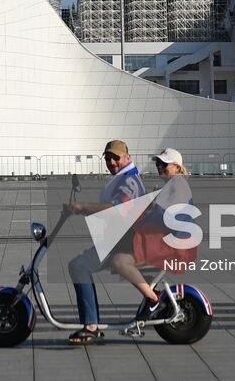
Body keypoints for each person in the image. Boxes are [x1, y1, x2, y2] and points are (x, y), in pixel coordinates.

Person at [63, 139, 146, 345]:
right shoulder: (122, 178)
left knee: (79, 266)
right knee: (78, 265)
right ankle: (92, 325)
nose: (111, 162)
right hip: (118, 239)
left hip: (125, 244)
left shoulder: (130, 181)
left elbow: (116, 208)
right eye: (108, 158)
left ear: (128, 157)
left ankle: (91, 326)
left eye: (116, 158)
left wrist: (82, 207)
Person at [106, 149, 192, 321]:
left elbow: (161, 215)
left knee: (119, 261)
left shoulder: (177, 185)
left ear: (176, 167)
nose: (159, 166)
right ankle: (149, 288)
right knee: (115, 256)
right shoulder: (172, 184)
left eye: (164, 164)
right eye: (157, 163)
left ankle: (153, 299)